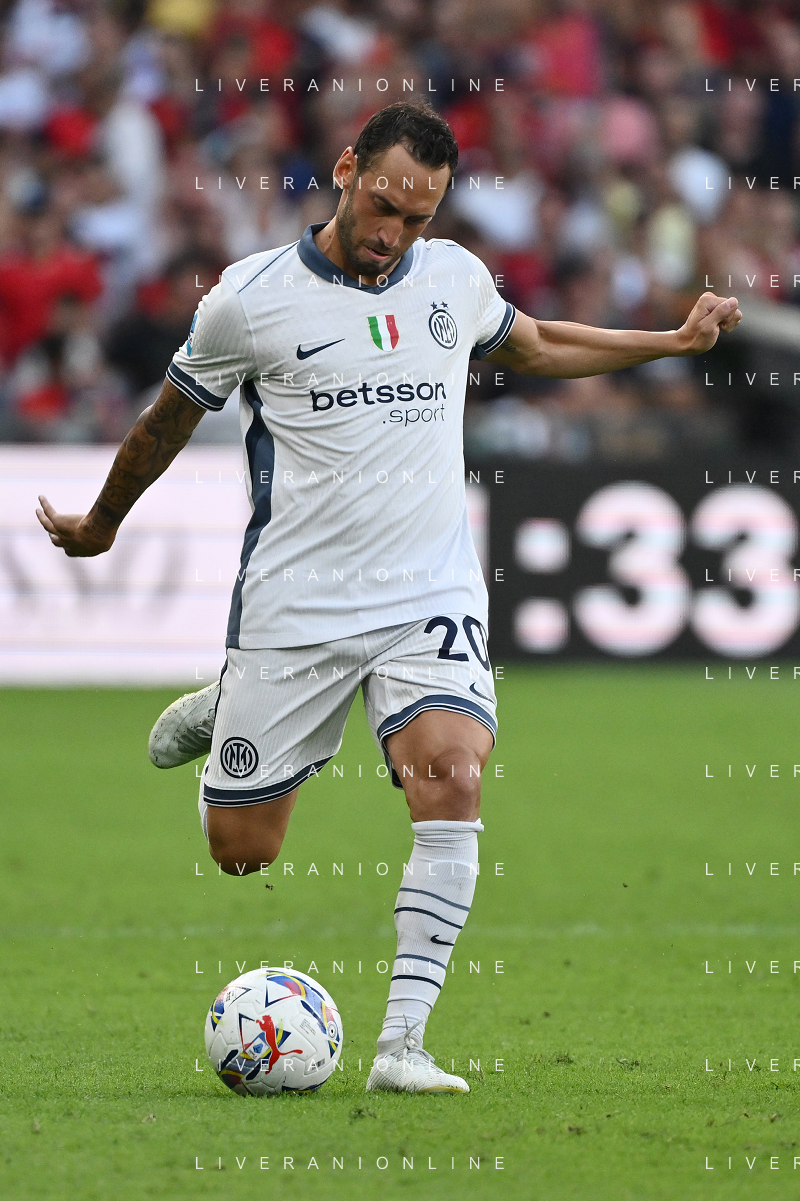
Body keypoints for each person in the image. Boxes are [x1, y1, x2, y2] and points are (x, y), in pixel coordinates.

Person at [36, 100, 742, 1095]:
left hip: (427, 590)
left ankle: (402, 1046)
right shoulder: (250, 300)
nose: (392, 233)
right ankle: (229, 702)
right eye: (381, 205)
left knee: (452, 779)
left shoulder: (452, 278)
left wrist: (669, 341)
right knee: (242, 852)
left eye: (416, 217)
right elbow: (164, 423)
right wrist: (102, 522)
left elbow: (538, 345)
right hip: (298, 604)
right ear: (345, 170)